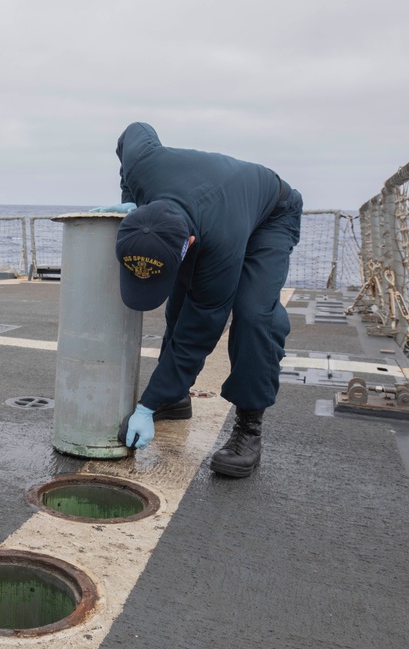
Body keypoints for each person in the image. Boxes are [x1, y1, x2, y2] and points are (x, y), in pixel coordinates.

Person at [94, 121, 301, 478]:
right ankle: (173, 398)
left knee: (254, 315)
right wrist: (131, 194)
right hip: (213, 207)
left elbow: (200, 329)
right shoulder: (143, 164)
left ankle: (249, 427)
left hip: (270, 214)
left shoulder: (219, 245)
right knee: (183, 294)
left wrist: (145, 406)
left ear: (188, 244)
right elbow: (134, 130)